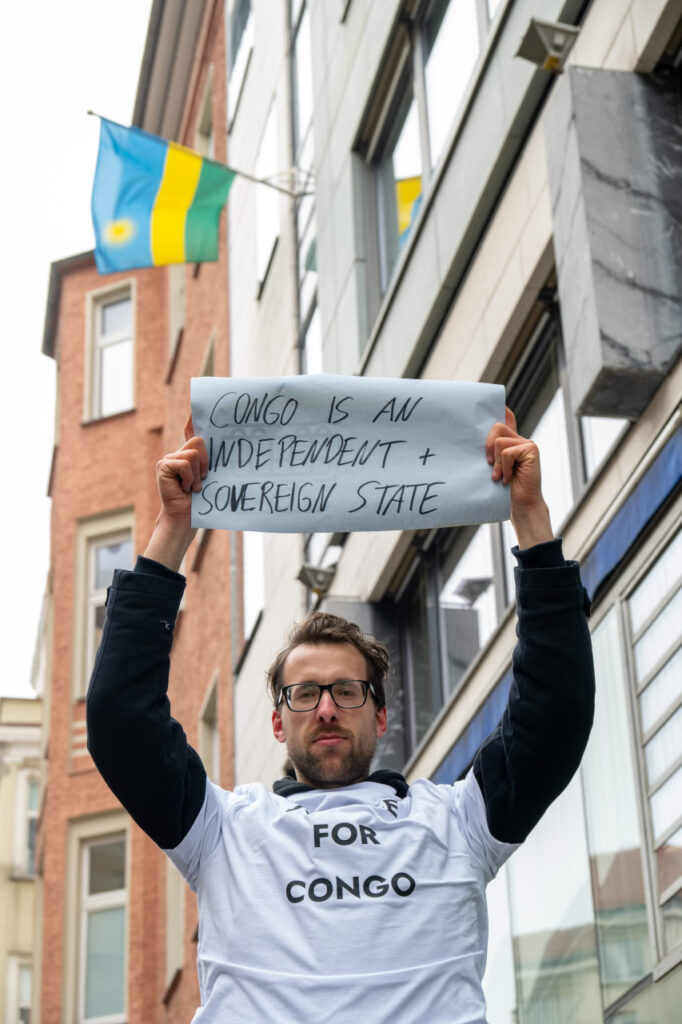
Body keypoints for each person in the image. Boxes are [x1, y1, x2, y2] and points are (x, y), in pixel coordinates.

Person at [87, 408, 595, 1023]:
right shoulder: (222, 831)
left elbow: (556, 713)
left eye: (348, 691)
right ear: (278, 723)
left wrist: (532, 522)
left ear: (381, 718)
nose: (326, 708)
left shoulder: (458, 822)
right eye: (304, 694)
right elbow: (121, 723)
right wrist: (174, 527)